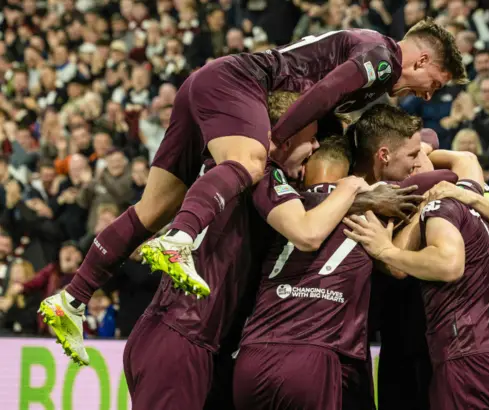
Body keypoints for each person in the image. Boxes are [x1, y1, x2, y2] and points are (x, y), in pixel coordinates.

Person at [39, 19, 467, 363]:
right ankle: (180, 241)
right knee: (247, 164)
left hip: (208, 85)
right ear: (423, 58)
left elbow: (329, 107)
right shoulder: (384, 56)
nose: (431, 92)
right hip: (241, 82)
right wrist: (275, 139)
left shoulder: (373, 71)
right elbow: (324, 92)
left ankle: (73, 297)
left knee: (152, 208)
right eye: (437, 81)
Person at [122, 96, 421, 410]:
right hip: (185, 334)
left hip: (202, 339)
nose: (314, 146)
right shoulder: (264, 175)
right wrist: (353, 191)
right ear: (286, 138)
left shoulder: (245, 172)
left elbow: (307, 203)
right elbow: (307, 231)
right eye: (310, 139)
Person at [343, 150, 489, 409]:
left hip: (467, 359)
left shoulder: (440, 206)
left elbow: (447, 265)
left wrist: (387, 250)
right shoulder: (475, 203)